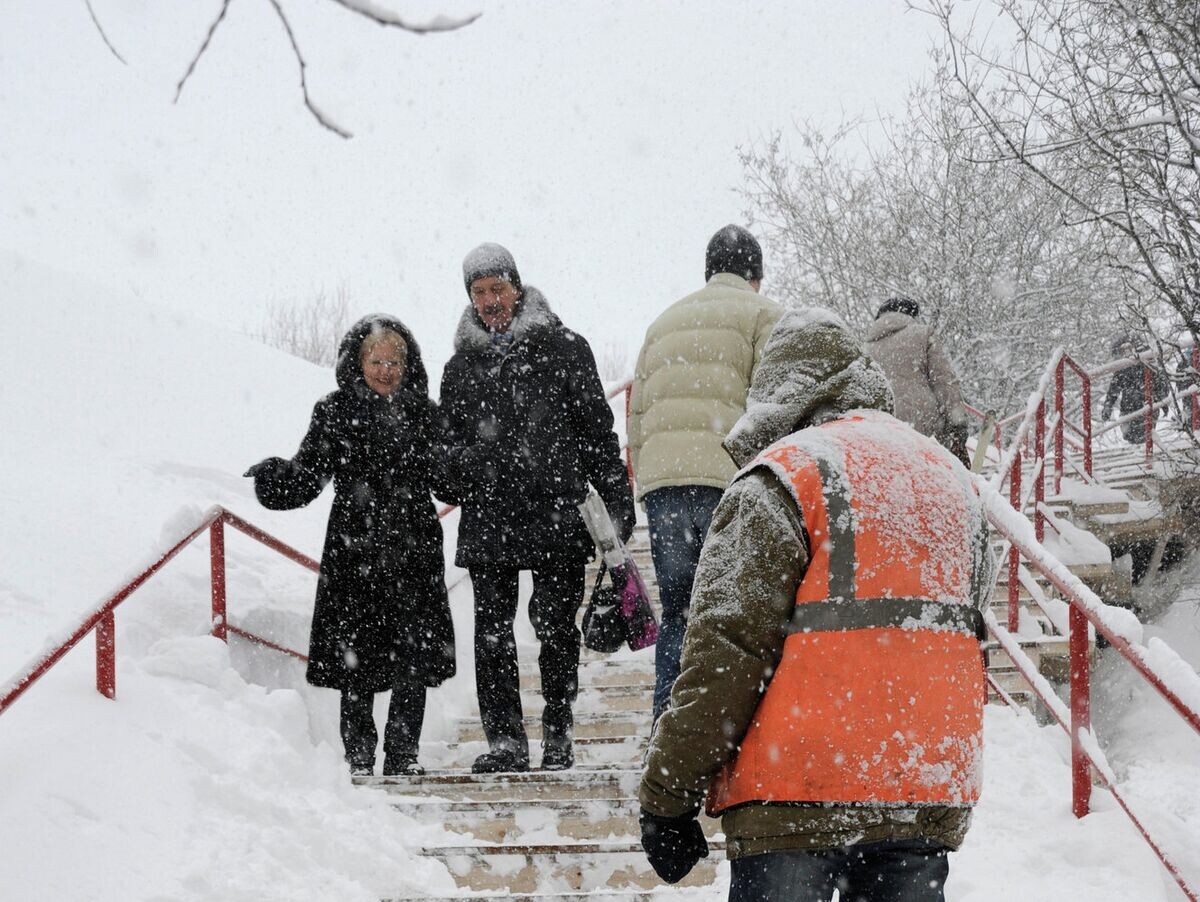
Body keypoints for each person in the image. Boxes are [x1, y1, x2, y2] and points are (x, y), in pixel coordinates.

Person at [638, 307, 992, 901]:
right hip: (923, 785)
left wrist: (666, 797)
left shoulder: (781, 477)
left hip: (796, 789)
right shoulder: (953, 481)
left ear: (775, 396)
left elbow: (726, 652)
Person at [439, 243, 635, 774]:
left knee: (554, 627)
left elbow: (598, 434)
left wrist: (617, 501)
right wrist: (466, 466)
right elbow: (444, 456)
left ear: (517, 287)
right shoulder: (459, 369)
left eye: (497, 289)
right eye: (479, 293)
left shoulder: (567, 348)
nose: (490, 301)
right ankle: (504, 742)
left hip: (556, 513)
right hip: (489, 517)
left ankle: (557, 730)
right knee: (492, 633)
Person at [245, 315, 455, 777]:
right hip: (354, 548)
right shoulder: (335, 410)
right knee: (354, 659)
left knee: (413, 659)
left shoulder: (426, 413)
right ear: (357, 363)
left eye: (393, 361)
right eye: (375, 360)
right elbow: (308, 475)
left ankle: (404, 756)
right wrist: (274, 480)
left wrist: (471, 464)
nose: (385, 370)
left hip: (414, 545)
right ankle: (359, 757)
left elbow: (448, 482)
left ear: (408, 363)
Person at [627, 224, 783, 720]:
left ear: (710, 270)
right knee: (737, 614)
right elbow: (773, 405)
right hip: (731, 481)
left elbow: (637, 417)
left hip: (666, 486)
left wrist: (647, 482)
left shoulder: (663, 323)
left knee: (679, 613)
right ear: (754, 275)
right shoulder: (766, 316)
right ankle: (724, 733)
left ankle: (666, 728)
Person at [864, 295, 971, 465]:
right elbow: (944, 381)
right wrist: (958, 425)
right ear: (911, 314)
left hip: (882, 433)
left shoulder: (865, 349)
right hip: (923, 428)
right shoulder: (923, 334)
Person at [1101, 336, 1169, 445]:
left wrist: (1163, 402)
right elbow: (1113, 390)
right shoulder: (1123, 368)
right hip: (1130, 407)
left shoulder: (1146, 361)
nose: (1126, 352)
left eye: (1128, 348)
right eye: (1123, 350)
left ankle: (1144, 449)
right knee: (1131, 435)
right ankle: (1139, 448)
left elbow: (1160, 383)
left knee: (1144, 433)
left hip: (1146, 404)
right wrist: (1108, 406)